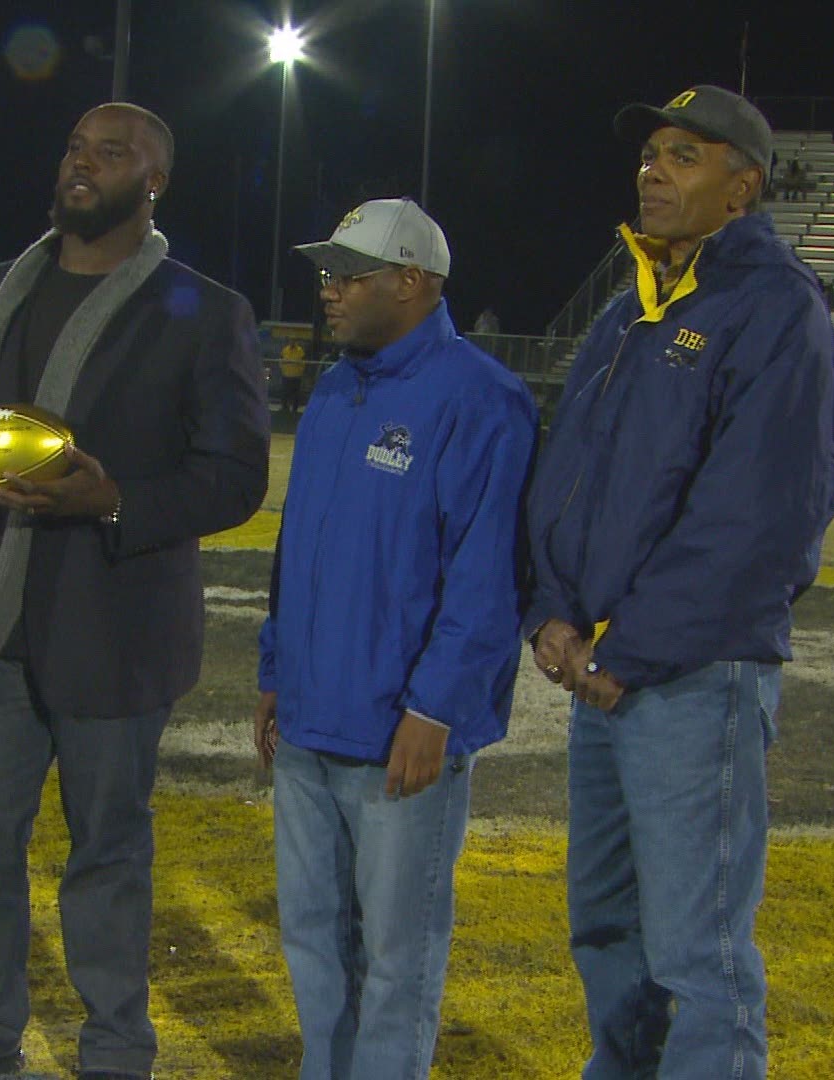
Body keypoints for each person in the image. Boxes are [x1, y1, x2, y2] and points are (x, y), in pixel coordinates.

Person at [0, 103, 270, 1080]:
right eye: (73, 147)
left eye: (112, 154)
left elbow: (234, 478)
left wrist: (114, 500)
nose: (83, 165)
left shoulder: (204, 309)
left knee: (105, 855)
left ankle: (113, 1054)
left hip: (114, 624)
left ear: (154, 183)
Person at [525, 86, 834, 1079]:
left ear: (742, 188)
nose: (652, 171)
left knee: (697, 956)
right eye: (650, 154)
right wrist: (550, 612)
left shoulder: (777, 310)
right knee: (609, 936)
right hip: (604, 674)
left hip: (689, 677)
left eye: (683, 155)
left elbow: (760, 521)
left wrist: (627, 645)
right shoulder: (633, 307)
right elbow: (567, 477)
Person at [255, 198, 536, 1078]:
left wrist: (436, 707)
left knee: (396, 960)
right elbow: (298, 546)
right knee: (311, 939)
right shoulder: (338, 385)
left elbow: (488, 577)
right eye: (326, 275)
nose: (329, 293)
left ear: (413, 281)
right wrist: (276, 670)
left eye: (350, 275)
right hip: (308, 721)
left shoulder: (481, 397)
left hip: (397, 738)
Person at [278, 337, 307, 415]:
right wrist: (283, 369)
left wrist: (300, 371)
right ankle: (284, 408)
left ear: (296, 342)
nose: (292, 342)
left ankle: (295, 410)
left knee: (296, 394)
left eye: (294, 340)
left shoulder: (300, 350)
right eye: (291, 340)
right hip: (286, 375)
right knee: (284, 393)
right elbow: (280, 360)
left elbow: (303, 362)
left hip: (296, 376)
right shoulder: (285, 350)